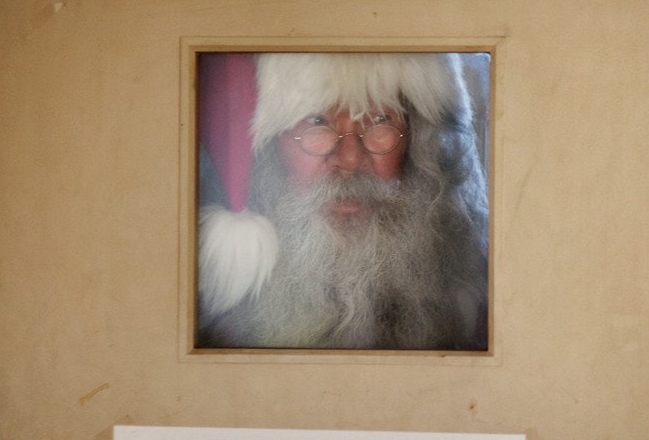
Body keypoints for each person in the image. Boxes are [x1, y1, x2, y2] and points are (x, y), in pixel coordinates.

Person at [195, 51, 489, 350]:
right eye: (316, 121)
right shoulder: (192, 312)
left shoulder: (485, 310)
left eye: (379, 120)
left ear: (417, 141)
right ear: (269, 148)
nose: (350, 159)